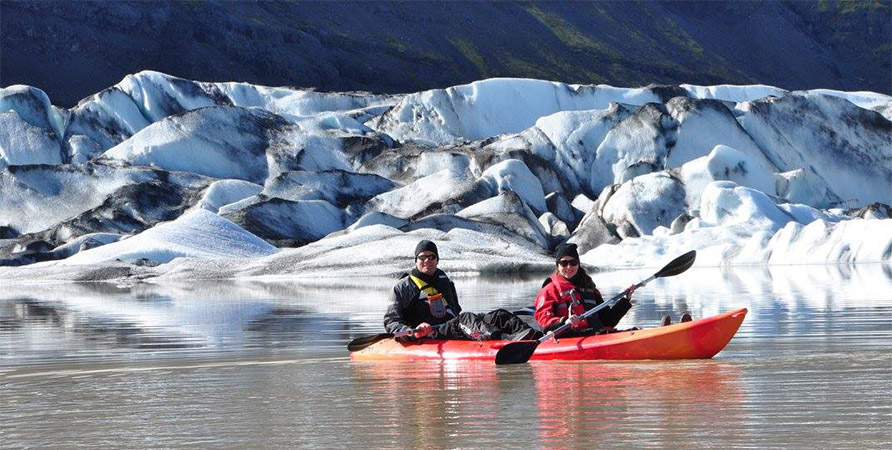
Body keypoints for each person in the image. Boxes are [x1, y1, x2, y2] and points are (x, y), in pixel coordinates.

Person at [384, 240, 542, 342]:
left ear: (437, 260)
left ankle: (534, 336)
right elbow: (391, 322)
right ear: (415, 260)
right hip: (429, 334)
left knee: (498, 315)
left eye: (431, 257)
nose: (427, 261)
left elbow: (455, 311)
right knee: (464, 319)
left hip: (450, 327)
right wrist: (411, 331)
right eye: (422, 257)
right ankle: (503, 339)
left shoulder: (444, 281)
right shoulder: (403, 287)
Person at [534, 243, 635, 337]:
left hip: (595, 335)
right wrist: (564, 322)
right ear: (558, 265)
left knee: (634, 330)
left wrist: (625, 301)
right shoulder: (549, 289)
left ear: (578, 264)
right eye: (564, 263)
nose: (569, 267)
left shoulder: (589, 288)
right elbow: (543, 320)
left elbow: (607, 321)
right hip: (569, 337)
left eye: (573, 262)